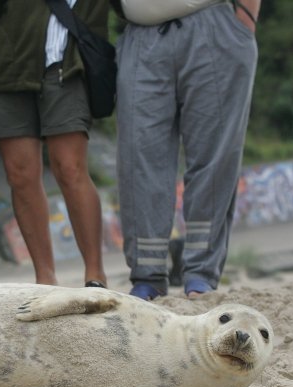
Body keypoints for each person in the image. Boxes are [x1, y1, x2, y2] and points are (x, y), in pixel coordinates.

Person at [111, 0, 260, 300]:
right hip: (141, 33)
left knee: (214, 156)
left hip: (212, 25)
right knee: (138, 158)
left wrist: (244, 19)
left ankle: (201, 274)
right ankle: (147, 276)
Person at [0, 0, 109, 288]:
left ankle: (95, 275)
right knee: (20, 175)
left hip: (68, 63)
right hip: (9, 64)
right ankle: (44, 279)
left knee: (70, 169)